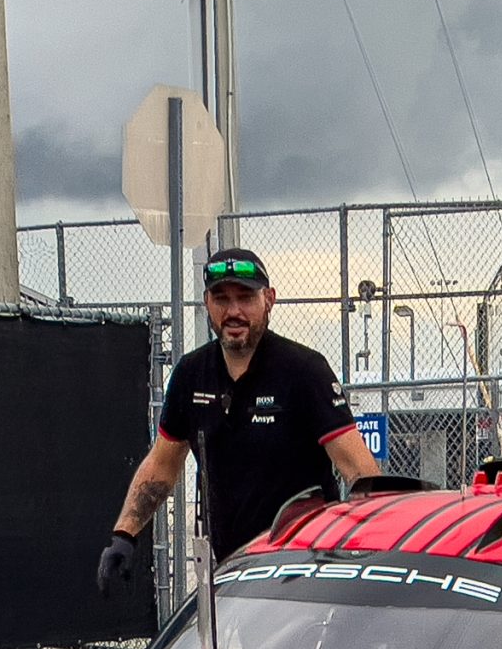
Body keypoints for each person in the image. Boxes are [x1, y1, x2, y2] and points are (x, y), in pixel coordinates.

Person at [97, 248, 380, 591]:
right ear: (206, 303)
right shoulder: (191, 374)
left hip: (304, 572)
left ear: (269, 299)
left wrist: (376, 552)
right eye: (221, 298)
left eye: (246, 297)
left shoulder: (304, 371)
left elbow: (360, 472)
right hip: (235, 576)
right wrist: (124, 535)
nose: (233, 311)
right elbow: (162, 465)